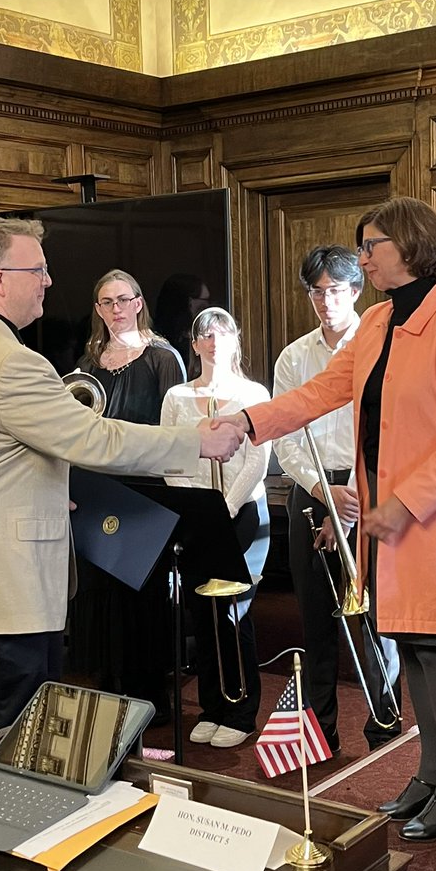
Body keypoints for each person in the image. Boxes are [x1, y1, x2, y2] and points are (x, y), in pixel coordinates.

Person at [222, 197, 436, 841]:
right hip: (389, 525)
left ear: (411, 247)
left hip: (430, 524)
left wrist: (401, 503)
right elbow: (320, 393)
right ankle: (429, 775)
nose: (365, 255)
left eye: (373, 245)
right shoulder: (375, 323)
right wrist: (248, 422)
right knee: (410, 646)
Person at [0, 218, 242, 762]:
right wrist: (195, 442)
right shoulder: (11, 361)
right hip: (4, 586)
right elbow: (95, 438)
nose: (48, 281)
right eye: (38, 270)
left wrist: (45, 489)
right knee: (7, 748)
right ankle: (1, 840)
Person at [273, 245, 401, 754]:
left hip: (368, 489)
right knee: (315, 619)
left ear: (356, 291)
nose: (325, 301)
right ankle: (319, 732)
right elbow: (285, 439)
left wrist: (352, 496)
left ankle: (383, 728)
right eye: (316, 292)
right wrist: (324, 496)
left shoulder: (379, 345)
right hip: (311, 490)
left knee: (373, 619)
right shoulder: (294, 356)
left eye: (335, 291)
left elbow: (388, 429)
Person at [68, 269, 186, 722]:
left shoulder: (162, 358)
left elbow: (172, 429)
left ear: (138, 303)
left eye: (123, 300)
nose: (116, 309)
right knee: (100, 594)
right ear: (98, 310)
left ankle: (149, 697)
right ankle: (109, 689)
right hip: (98, 488)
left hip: (143, 490)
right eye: (106, 302)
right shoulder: (87, 363)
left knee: (142, 594)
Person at [160, 307, 271, 747]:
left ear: (235, 341)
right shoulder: (176, 397)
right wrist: (197, 504)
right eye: (205, 333)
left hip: (240, 513)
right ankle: (212, 705)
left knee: (234, 613)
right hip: (198, 514)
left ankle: (241, 712)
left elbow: (258, 462)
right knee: (200, 612)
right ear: (195, 344)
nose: (214, 340)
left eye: (223, 332)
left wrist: (221, 507)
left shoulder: (253, 392)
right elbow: (170, 453)